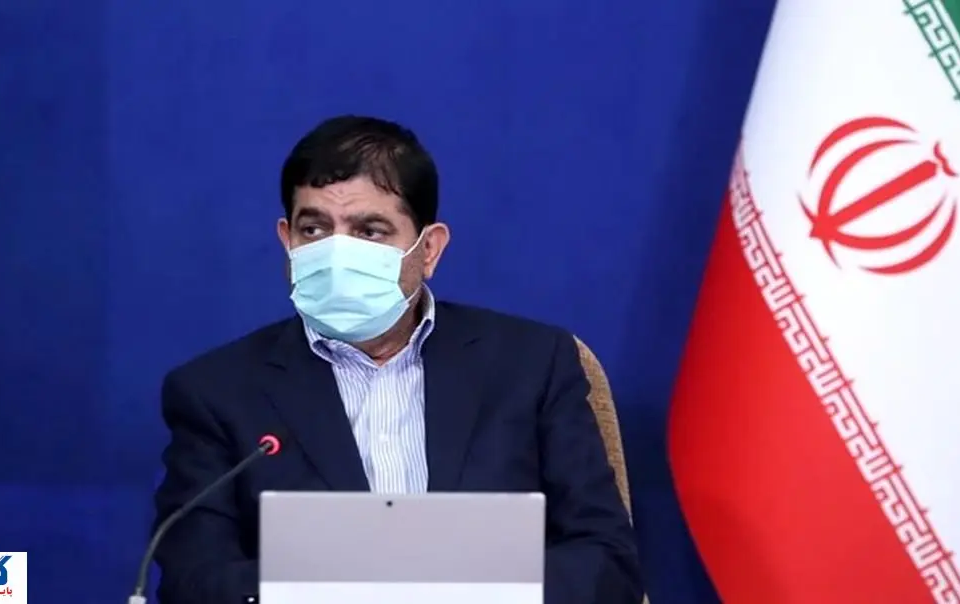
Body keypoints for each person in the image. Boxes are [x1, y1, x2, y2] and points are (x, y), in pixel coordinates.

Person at [151, 115, 642, 603]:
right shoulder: (216, 392)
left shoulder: (532, 364)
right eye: (314, 229)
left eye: (370, 231)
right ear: (287, 239)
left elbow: (606, 562)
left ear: (428, 250)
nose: (337, 254)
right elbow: (193, 582)